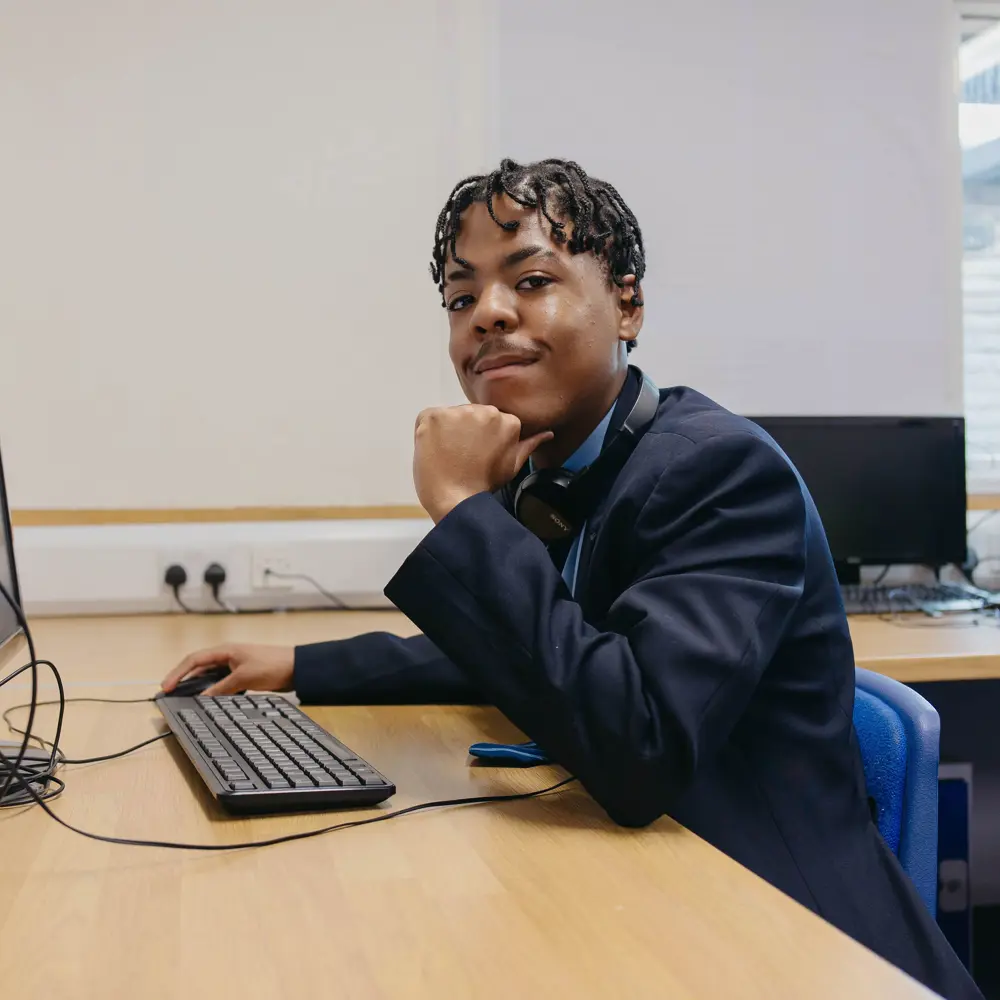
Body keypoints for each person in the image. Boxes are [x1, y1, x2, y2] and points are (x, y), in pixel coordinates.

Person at [163, 158, 981, 999]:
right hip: (660, 897)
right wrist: (303, 666)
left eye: (534, 279)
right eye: (459, 297)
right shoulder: (560, 467)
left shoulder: (720, 471)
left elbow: (640, 747)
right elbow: (540, 645)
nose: (488, 314)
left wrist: (458, 504)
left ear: (627, 304)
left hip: (789, 935)